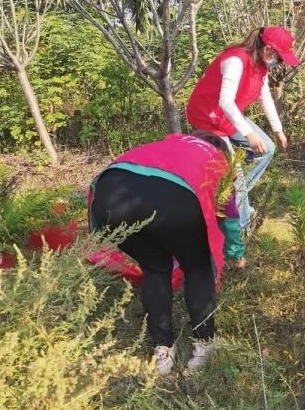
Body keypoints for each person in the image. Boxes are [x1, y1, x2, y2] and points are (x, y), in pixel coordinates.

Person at [88, 131, 242, 374]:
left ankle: (163, 351)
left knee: (155, 268)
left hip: (110, 199)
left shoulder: (166, 144)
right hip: (173, 201)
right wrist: (235, 252)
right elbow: (229, 215)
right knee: (197, 267)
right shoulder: (217, 160)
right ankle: (205, 343)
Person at [186, 26, 299, 250]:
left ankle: (235, 196)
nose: (280, 63)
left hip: (229, 118)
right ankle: (241, 230)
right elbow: (225, 101)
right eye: (279, 57)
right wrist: (249, 133)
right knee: (235, 177)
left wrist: (278, 130)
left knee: (266, 149)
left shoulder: (261, 65)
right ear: (268, 49)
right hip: (208, 119)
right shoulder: (235, 60)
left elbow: (264, 98)